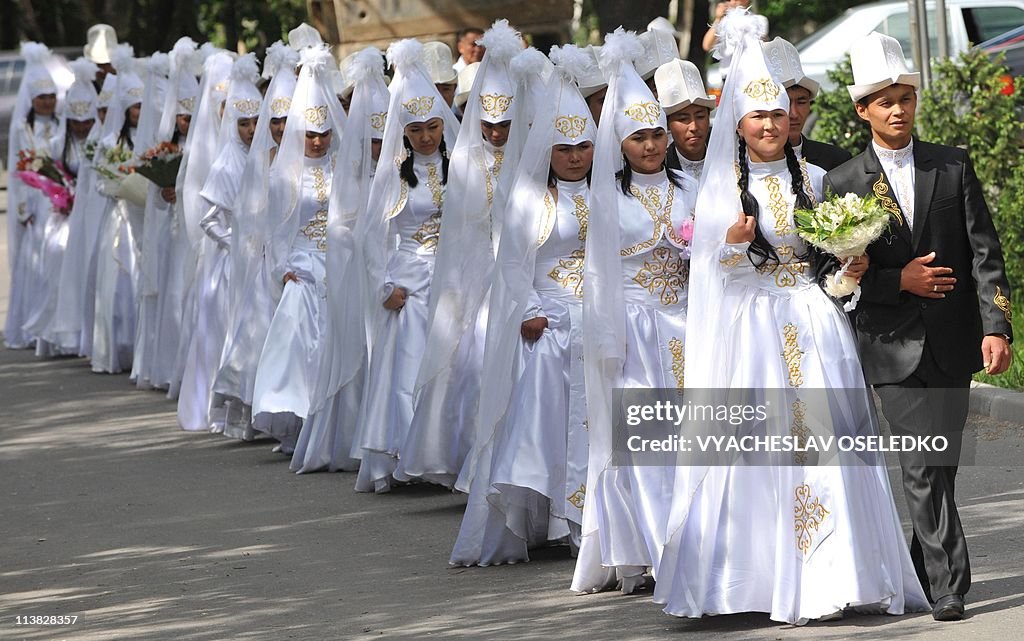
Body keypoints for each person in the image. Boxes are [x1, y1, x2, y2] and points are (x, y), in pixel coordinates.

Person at [653, 11, 929, 624]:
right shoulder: (720, 186)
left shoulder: (819, 179)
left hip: (812, 321)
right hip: (751, 330)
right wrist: (727, 244)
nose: (772, 125)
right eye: (759, 115)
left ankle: (837, 575)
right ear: (740, 123)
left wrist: (848, 277)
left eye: (780, 113)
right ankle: (752, 582)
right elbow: (706, 277)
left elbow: (827, 274)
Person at [822, 32, 1014, 622]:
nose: (898, 108)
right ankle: (949, 584)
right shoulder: (844, 183)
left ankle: (918, 560)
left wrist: (998, 324)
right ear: (863, 111)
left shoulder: (951, 164)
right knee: (919, 462)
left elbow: (986, 251)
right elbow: (833, 275)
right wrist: (894, 280)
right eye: (885, 100)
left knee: (943, 464)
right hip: (890, 345)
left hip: (955, 340)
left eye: (905, 96)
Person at [450, 43, 595, 566]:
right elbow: (511, 262)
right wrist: (532, 308)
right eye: (563, 147)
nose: (575, 155)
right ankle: (548, 520)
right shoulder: (530, 198)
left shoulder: (608, 192)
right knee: (547, 427)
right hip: (549, 324)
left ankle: (590, 521)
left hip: (598, 322)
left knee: (591, 424)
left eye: (583, 144)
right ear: (545, 151)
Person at [571, 28, 698, 595]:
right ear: (618, 141)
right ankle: (650, 549)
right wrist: (608, 344)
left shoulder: (691, 187)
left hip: (688, 325)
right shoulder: (607, 197)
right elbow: (598, 278)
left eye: (656, 134)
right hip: (636, 332)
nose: (650, 145)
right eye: (637, 136)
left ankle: (694, 540)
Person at [398, 19, 522, 488]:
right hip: (478, 277)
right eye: (487, 123)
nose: (495, 133)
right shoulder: (464, 160)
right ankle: (473, 463)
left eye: (505, 123)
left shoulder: (535, 154)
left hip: (524, 273)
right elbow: (460, 229)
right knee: (472, 365)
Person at [353, 38, 461, 493]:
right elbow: (372, 237)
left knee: (453, 367)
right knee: (407, 370)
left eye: (432, 126)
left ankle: (444, 454)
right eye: (415, 128)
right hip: (410, 282)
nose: (425, 136)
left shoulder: (462, 167)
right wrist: (384, 287)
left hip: (452, 280)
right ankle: (401, 454)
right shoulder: (395, 174)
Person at [291, 45, 388, 473]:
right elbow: (341, 225)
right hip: (359, 274)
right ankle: (358, 439)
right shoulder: (348, 175)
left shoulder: (406, 174)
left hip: (397, 272)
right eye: (372, 141)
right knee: (360, 352)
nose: (379, 148)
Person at [251, 44, 347, 454]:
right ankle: (297, 421)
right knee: (299, 345)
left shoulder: (342, 167)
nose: (319, 142)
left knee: (333, 343)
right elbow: (273, 228)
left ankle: (329, 424)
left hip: (338, 264)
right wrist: (283, 267)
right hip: (303, 267)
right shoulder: (283, 174)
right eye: (310, 134)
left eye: (325, 134)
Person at [212, 40, 299, 441]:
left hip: (301, 258)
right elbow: (248, 215)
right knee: (260, 334)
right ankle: (258, 410)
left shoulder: (308, 158)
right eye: (274, 121)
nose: (279, 128)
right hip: (266, 258)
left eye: (287, 119)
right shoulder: (258, 161)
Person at [177, 54, 261, 430]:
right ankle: (228, 410)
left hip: (260, 259)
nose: (251, 129)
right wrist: (237, 243)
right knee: (231, 330)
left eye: (257, 122)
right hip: (233, 262)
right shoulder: (227, 165)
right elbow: (210, 220)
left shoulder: (266, 158)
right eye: (244, 123)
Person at [5, 43, 60, 350]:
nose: (48, 102)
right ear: (31, 99)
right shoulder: (23, 130)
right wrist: (23, 208)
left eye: (52, 97)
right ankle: (29, 326)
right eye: (42, 98)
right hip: (35, 204)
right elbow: (17, 170)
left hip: (57, 202)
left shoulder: (61, 124)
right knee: (34, 264)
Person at [762, 37, 851, 171]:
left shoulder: (836, 162)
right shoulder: (741, 169)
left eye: (801, 102)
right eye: (785, 102)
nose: (794, 113)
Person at [654, 58, 715, 181]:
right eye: (683, 119)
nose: (694, 127)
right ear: (668, 124)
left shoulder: (728, 157)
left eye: (700, 116)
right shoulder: (660, 169)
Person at [702, 0, 767, 53]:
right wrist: (718, 19)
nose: (732, 2)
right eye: (728, 0)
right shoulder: (724, 22)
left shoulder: (760, 20)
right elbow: (707, 46)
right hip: (729, 68)